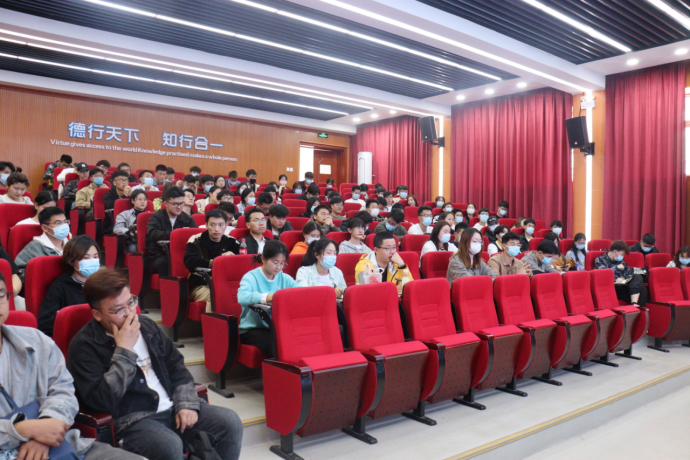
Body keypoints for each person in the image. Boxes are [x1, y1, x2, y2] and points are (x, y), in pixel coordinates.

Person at [68, 269, 242, 460]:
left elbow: (176, 365)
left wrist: (186, 403)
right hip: (133, 420)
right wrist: (124, 351)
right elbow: (101, 401)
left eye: (131, 303)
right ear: (97, 314)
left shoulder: (147, 325)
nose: (129, 313)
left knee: (229, 422)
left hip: (172, 406)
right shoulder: (84, 346)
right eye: (118, 310)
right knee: (168, 445)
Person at [0, 273, 144, 460]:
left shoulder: (37, 342)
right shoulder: (84, 344)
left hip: (60, 444)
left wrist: (47, 427)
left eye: (0, 295)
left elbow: (64, 391)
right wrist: (21, 430)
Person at [238, 240, 300, 356]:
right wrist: (268, 297)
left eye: (282, 263)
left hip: (278, 326)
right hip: (253, 329)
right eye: (275, 262)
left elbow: (300, 292)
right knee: (277, 346)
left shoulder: (284, 277)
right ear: (263, 259)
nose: (279, 267)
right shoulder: (251, 277)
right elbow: (242, 297)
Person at [38, 235, 99, 336]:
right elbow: (46, 323)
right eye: (86, 257)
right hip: (75, 337)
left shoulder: (103, 283)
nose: (92, 261)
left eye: (96, 257)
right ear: (71, 261)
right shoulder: (60, 287)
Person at [184, 209, 240, 312]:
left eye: (220, 225)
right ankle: (213, 323)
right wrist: (215, 262)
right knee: (215, 295)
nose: (216, 229)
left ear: (226, 225)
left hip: (225, 284)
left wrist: (231, 260)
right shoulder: (196, 240)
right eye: (212, 225)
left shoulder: (232, 242)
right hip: (200, 285)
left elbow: (239, 267)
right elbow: (189, 261)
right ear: (206, 225)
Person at [146, 186, 197, 277]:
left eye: (181, 203)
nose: (179, 207)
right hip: (159, 255)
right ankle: (167, 285)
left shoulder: (187, 219)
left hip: (181, 254)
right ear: (166, 203)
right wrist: (176, 235)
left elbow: (195, 235)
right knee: (166, 262)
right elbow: (153, 234)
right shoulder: (156, 217)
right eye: (175, 204)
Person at [15, 207, 70, 274]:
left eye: (65, 222)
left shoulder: (72, 245)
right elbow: (19, 271)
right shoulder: (34, 248)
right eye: (58, 223)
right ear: (45, 228)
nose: (64, 226)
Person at [595, 240, 647, 306]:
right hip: (612, 288)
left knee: (641, 286)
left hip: (622, 286)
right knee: (641, 291)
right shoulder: (600, 260)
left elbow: (629, 273)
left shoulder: (621, 262)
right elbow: (602, 274)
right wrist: (616, 276)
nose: (623, 256)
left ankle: (634, 305)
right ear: (615, 251)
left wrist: (624, 278)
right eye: (622, 254)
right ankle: (635, 307)